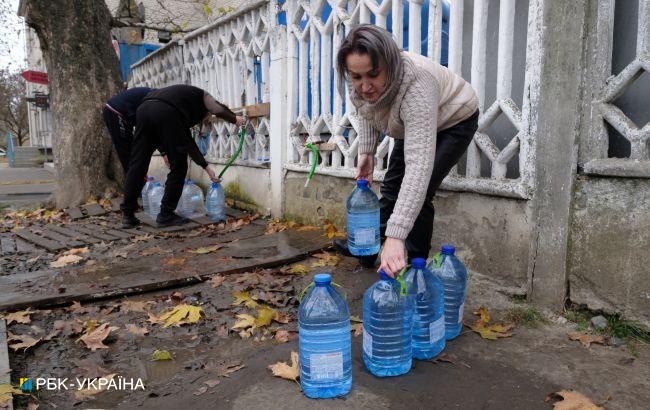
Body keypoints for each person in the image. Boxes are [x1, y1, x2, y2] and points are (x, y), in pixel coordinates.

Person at [333, 24, 479, 277]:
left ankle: (414, 269)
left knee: (420, 192)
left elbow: (417, 172)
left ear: (390, 64)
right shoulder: (357, 78)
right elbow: (367, 109)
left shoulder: (417, 86)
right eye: (357, 77)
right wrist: (367, 152)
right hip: (408, 121)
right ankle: (368, 249)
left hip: (454, 120)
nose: (364, 85)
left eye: (373, 74)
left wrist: (397, 235)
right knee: (391, 186)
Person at [120, 84, 244, 228]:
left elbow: (187, 141)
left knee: (137, 164)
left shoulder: (180, 99)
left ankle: (128, 215)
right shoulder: (203, 96)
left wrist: (206, 168)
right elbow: (217, 109)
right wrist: (235, 119)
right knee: (179, 165)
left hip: (142, 111)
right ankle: (165, 214)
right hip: (165, 112)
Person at [103, 87, 169, 173]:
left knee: (133, 151)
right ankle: (135, 183)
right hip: (116, 111)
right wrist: (164, 152)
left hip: (124, 115)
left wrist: (164, 152)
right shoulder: (157, 101)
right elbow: (153, 128)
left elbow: (153, 129)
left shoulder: (158, 100)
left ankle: (137, 180)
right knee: (127, 154)